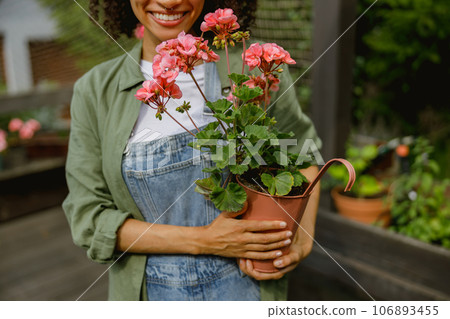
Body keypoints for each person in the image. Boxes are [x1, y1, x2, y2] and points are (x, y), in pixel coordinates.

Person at [64, 0, 322, 301]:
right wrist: (206, 240)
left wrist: (304, 237)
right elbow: (89, 219)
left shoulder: (252, 68)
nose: (169, 1)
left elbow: (303, 156)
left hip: (248, 288)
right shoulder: (94, 89)